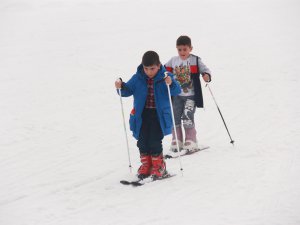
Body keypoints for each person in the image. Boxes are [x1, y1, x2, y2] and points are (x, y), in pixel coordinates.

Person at [115, 51, 181, 179]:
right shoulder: (138, 78)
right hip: (142, 115)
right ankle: (146, 165)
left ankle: (159, 166)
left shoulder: (166, 77)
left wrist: (171, 83)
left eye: (152, 68)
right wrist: (121, 86)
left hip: (158, 116)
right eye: (146, 68)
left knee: (154, 140)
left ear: (159, 65)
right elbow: (127, 90)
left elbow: (176, 90)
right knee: (142, 140)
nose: (149, 72)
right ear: (142, 66)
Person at [165, 35, 211, 155]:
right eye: (179, 49)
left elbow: (205, 70)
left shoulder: (195, 60)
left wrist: (206, 75)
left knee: (187, 116)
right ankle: (177, 140)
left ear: (190, 48)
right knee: (175, 116)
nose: (182, 52)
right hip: (177, 96)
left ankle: (191, 139)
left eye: (185, 49)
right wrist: (164, 77)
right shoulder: (173, 60)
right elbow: (163, 71)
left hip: (191, 96)